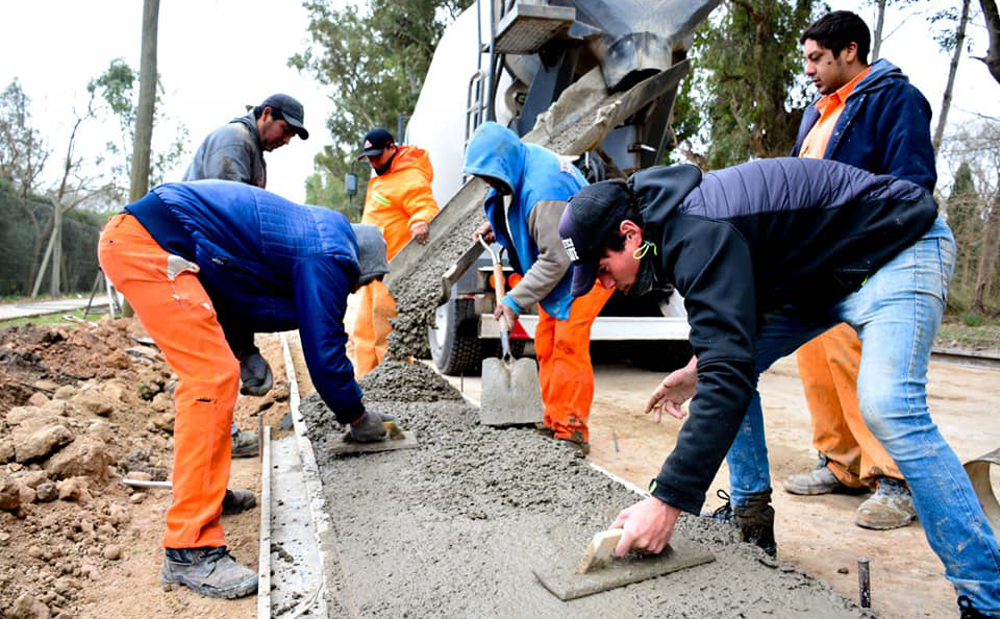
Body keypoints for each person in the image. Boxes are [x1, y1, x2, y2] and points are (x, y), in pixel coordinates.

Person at [558, 157, 1000, 619]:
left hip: (896, 248)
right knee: (720, 369)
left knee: (888, 407)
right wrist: (697, 369)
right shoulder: (671, 228)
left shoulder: (697, 230)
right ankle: (750, 518)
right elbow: (727, 344)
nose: (605, 282)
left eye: (603, 266)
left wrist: (666, 501)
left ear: (630, 234)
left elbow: (728, 368)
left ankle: (987, 595)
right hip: (820, 276)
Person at [98, 180, 394, 599]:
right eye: (361, 282)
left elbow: (230, 279)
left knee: (220, 369)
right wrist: (357, 416)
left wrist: (243, 348)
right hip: (146, 244)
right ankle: (189, 548)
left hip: (159, 240)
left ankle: (209, 497)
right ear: (360, 263)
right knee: (210, 376)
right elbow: (324, 350)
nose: (354, 288)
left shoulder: (311, 233)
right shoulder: (331, 252)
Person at [717, 11, 936, 532]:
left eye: (817, 58)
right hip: (817, 262)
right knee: (818, 361)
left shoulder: (893, 100)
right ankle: (840, 463)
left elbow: (912, 184)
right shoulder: (817, 114)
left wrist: (870, 249)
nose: (809, 69)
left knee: (863, 367)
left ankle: (894, 481)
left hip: (865, 260)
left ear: (850, 51)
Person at [463, 122, 613, 451]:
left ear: (503, 162)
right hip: (566, 267)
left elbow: (556, 259)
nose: (487, 183)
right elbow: (524, 209)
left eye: (489, 176)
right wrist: (496, 224)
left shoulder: (543, 190)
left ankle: (572, 429)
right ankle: (553, 418)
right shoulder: (524, 160)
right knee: (546, 341)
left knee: (568, 345)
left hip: (590, 266)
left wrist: (514, 301)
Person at [183, 93, 310, 458]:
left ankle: (223, 435)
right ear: (266, 114)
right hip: (195, 260)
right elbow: (228, 219)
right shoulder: (233, 141)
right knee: (210, 360)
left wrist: (244, 346)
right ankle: (217, 440)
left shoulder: (254, 152)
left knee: (219, 357)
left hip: (208, 262)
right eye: (285, 131)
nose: (285, 141)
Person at [352, 128, 439, 377]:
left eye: (377, 155)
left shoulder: (410, 177)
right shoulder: (379, 178)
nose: (372, 161)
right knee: (364, 331)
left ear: (392, 148)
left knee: (388, 333)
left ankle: (392, 383)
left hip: (393, 272)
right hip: (370, 271)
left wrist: (420, 221)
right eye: (368, 157)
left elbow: (425, 205)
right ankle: (365, 382)